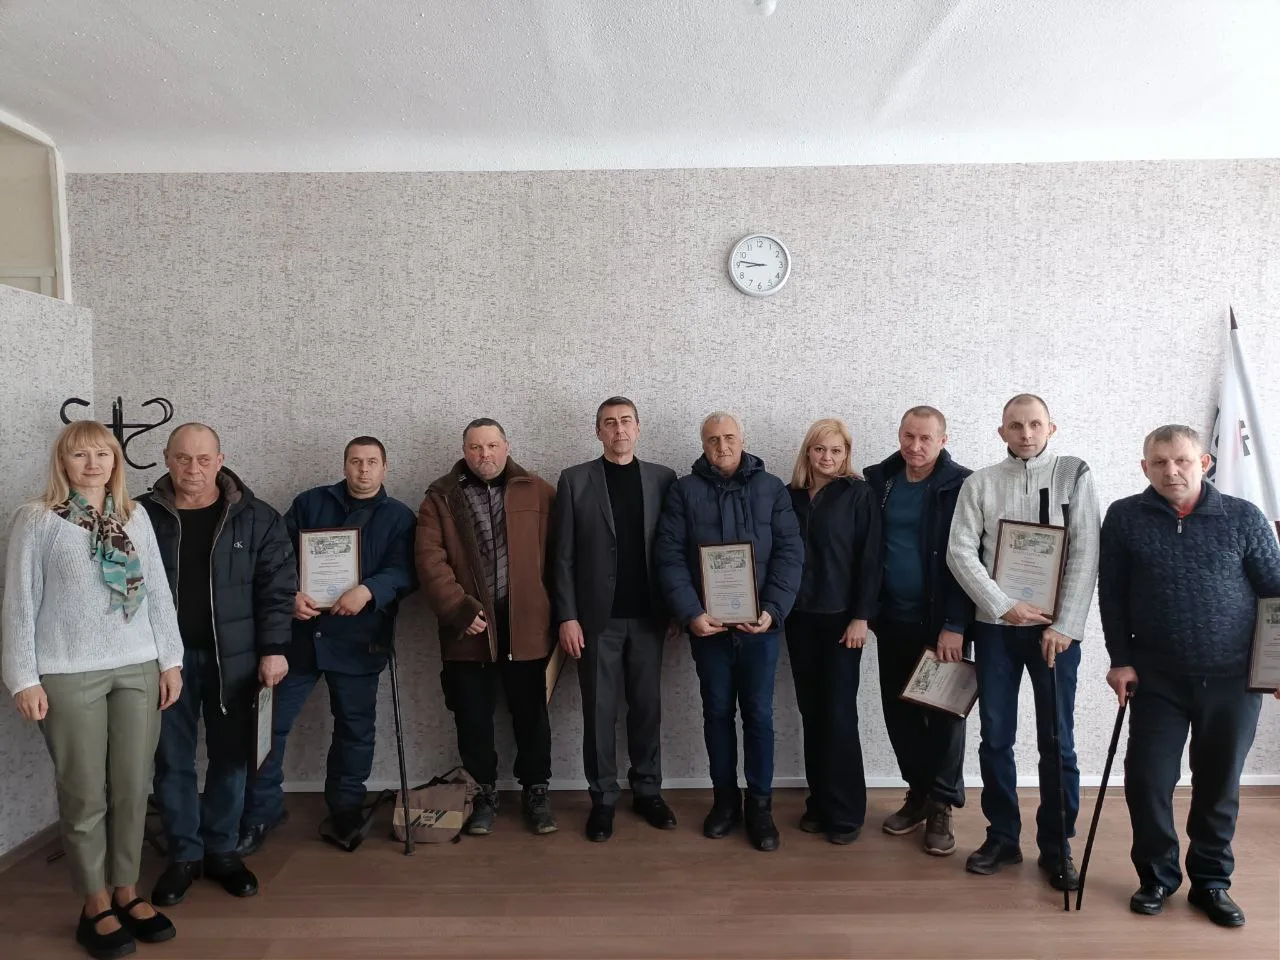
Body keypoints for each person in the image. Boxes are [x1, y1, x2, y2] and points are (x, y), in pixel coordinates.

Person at [2, 421, 184, 959]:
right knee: (84, 794)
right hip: (67, 671)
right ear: (63, 462)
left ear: (115, 461)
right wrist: (23, 678)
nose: (92, 464)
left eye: (102, 454)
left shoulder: (134, 516)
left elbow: (157, 591)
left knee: (131, 787)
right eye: (80, 454)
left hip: (138, 667)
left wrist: (170, 661)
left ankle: (126, 890)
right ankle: (95, 903)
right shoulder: (38, 519)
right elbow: (19, 602)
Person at [1099, 424, 1280, 927]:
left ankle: (1211, 882)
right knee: (1147, 780)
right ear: (1145, 468)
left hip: (1233, 679)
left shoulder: (1243, 517)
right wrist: (1119, 659)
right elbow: (1112, 595)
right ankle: (1157, 876)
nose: (1171, 471)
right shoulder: (1124, 517)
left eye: (1181, 460)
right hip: (1157, 678)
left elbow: (1275, 593)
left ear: (1205, 463)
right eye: (1159, 462)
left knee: (1218, 783)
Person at [946, 394, 1100, 891]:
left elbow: (1086, 552)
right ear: (1002, 432)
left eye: (1035, 424)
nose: (1026, 433)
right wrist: (1001, 605)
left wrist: (1065, 625)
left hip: (1055, 633)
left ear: (1051, 428)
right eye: (1016, 425)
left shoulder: (1074, 474)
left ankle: (1057, 846)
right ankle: (1002, 837)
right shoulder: (980, 483)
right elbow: (959, 552)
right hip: (996, 629)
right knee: (995, 738)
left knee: (1058, 741)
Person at [139, 423, 296, 907]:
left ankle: (222, 851)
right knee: (172, 760)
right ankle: (184, 856)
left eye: (204, 459)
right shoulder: (140, 516)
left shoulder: (258, 518)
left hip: (238, 662)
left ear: (220, 460)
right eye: (183, 458)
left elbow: (278, 589)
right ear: (167, 458)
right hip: (166, 663)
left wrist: (274, 648)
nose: (194, 468)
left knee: (232, 759)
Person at [238, 436, 417, 855]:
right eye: (355, 461)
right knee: (267, 727)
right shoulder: (310, 503)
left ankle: (346, 809)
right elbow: (276, 557)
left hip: (359, 640)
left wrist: (369, 591)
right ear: (344, 464)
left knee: (355, 731)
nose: (363, 470)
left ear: (385, 467)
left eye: (371, 462)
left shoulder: (399, 517)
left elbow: (406, 571)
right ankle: (261, 811)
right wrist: (291, 595)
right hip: (300, 639)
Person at [655, 411, 803, 852]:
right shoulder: (684, 491)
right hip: (709, 630)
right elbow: (669, 556)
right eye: (713, 439)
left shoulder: (772, 488)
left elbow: (790, 553)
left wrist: (773, 610)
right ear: (703, 444)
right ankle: (724, 802)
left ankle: (760, 806)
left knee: (758, 715)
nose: (722, 446)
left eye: (729, 437)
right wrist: (690, 613)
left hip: (761, 629)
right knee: (717, 713)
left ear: (743, 438)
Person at [416, 418, 559, 835]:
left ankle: (536, 790)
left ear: (506, 446)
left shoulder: (538, 490)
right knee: (472, 718)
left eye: (492, 445)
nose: (485, 454)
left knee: (532, 716)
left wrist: (555, 613)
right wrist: (458, 609)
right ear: (465, 452)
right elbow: (429, 560)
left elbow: (560, 555)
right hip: (468, 630)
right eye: (476, 447)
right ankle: (482, 794)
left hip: (526, 628)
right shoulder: (440, 497)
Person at [552, 398, 679, 841]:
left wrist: (676, 608)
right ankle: (603, 799)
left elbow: (674, 549)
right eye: (610, 423)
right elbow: (561, 558)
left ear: (638, 428)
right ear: (598, 431)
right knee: (599, 712)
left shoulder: (663, 479)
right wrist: (567, 616)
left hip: (649, 618)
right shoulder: (574, 480)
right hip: (595, 622)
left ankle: (648, 791)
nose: (619, 430)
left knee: (647, 710)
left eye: (626, 421)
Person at [864, 405, 973, 857]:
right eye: (908, 436)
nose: (915, 446)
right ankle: (920, 793)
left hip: (942, 625)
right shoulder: (880, 481)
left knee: (944, 716)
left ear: (943, 441)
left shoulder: (962, 485)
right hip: (892, 621)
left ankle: (942, 804)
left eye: (926, 438)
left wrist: (956, 624)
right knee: (901, 713)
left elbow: (971, 560)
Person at [785, 418, 881, 845]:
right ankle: (819, 802)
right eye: (820, 449)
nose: (827, 457)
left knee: (839, 714)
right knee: (812, 712)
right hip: (798, 618)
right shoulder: (788, 496)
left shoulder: (859, 494)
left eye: (836, 451)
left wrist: (862, 616)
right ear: (808, 452)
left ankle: (845, 813)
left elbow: (870, 559)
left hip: (843, 621)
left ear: (846, 455)